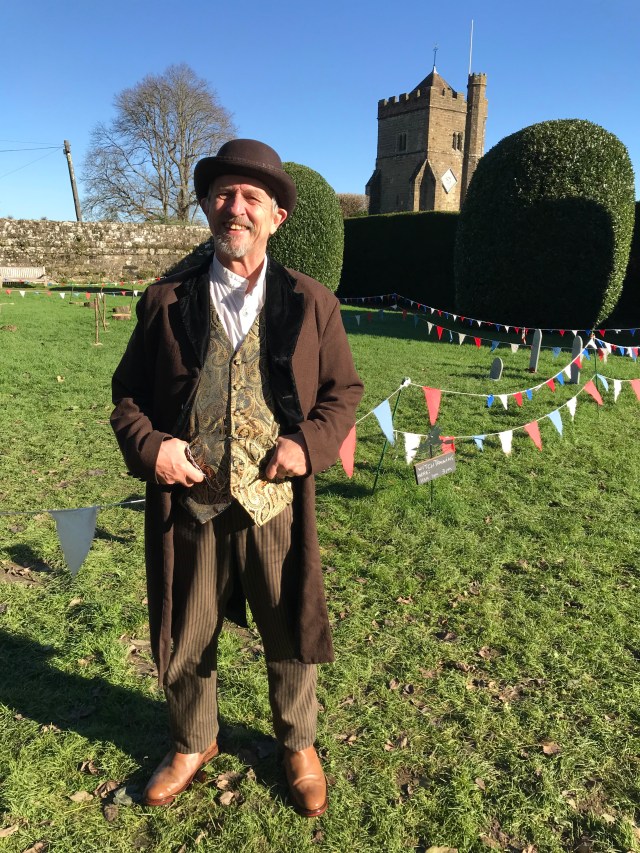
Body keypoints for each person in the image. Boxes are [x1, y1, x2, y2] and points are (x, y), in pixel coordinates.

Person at [111, 138, 363, 817]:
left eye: (253, 197)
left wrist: (307, 443)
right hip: (189, 504)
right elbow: (127, 397)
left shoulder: (313, 303)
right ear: (206, 206)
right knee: (187, 633)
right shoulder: (166, 300)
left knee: (289, 631)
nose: (236, 207)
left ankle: (298, 742)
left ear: (277, 216)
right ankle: (193, 740)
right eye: (223, 194)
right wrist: (154, 446)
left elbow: (343, 393)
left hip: (272, 502)